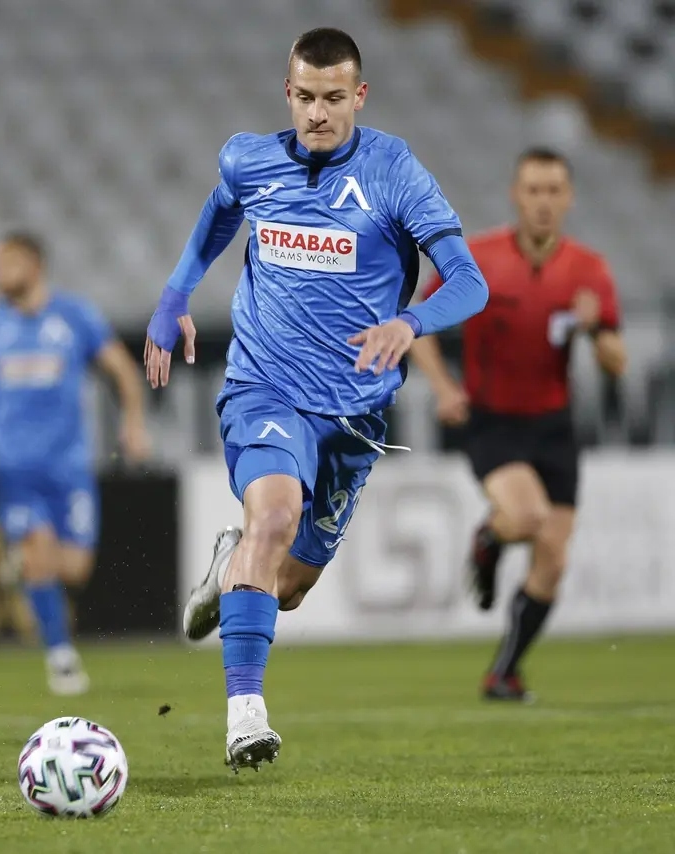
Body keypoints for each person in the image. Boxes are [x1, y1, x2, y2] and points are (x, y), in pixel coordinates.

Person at [144, 27, 488, 771]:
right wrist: (175, 296)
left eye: (333, 98)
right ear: (288, 93)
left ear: (359, 96)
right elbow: (220, 212)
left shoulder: (393, 171)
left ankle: (230, 567)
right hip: (264, 387)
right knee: (274, 516)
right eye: (304, 97)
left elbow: (470, 280)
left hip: (354, 416)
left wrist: (409, 322)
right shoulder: (249, 158)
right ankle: (245, 717)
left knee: (289, 585)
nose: (318, 114)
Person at [410, 148, 627, 702]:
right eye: (534, 190)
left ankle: (503, 673)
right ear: (516, 195)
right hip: (493, 421)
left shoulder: (588, 270)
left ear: (569, 198)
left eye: (554, 190)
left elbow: (617, 361)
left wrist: (594, 329)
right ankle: (490, 539)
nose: (543, 202)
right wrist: (444, 388)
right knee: (527, 516)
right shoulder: (479, 258)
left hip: (555, 426)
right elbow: (417, 324)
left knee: (553, 560)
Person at [0, 231, 150, 696]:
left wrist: (133, 424)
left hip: (69, 466)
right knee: (39, 553)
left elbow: (122, 369)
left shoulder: (74, 316)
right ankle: (61, 657)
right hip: (15, 467)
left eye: (8, 263)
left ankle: (24, 569)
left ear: (34, 266)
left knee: (74, 568)